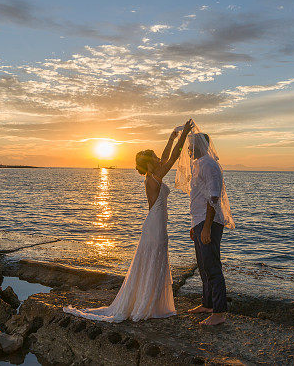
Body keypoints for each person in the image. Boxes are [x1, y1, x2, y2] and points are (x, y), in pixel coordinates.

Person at [63, 119, 193, 322]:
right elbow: (174, 156)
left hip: (154, 224)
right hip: (156, 226)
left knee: (153, 260)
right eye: (156, 157)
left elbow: (167, 155)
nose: (160, 158)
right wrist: (183, 134)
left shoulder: (153, 176)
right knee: (154, 259)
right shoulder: (154, 177)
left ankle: (151, 302)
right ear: (150, 163)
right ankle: (147, 305)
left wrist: (171, 136)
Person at [180, 129, 234, 326]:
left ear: (200, 146)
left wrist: (206, 227)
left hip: (208, 221)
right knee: (203, 267)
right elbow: (198, 198)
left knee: (212, 267)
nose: (188, 150)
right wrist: (196, 226)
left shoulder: (210, 165)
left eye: (191, 146)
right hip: (199, 221)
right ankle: (208, 304)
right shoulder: (198, 165)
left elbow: (213, 197)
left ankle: (219, 313)